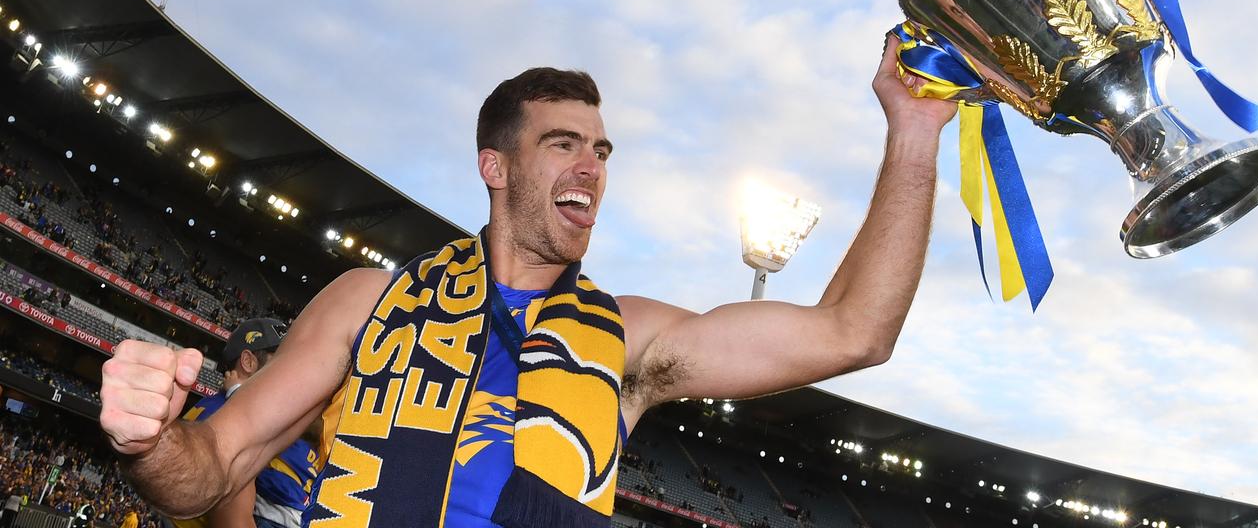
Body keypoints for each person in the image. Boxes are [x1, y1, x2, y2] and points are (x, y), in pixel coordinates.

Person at [100, 37, 955, 527]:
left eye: (604, 149)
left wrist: (914, 131)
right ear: (495, 166)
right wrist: (149, 441)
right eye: (563, 144)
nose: (594, 165)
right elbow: (210, 468)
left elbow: (855, 332)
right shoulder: (369, 305)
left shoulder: (630, 340)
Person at [167, 319, 320, 528]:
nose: (295, 371)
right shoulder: (222, 421)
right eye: (284, 359)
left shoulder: (265, 415)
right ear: (248, 362)